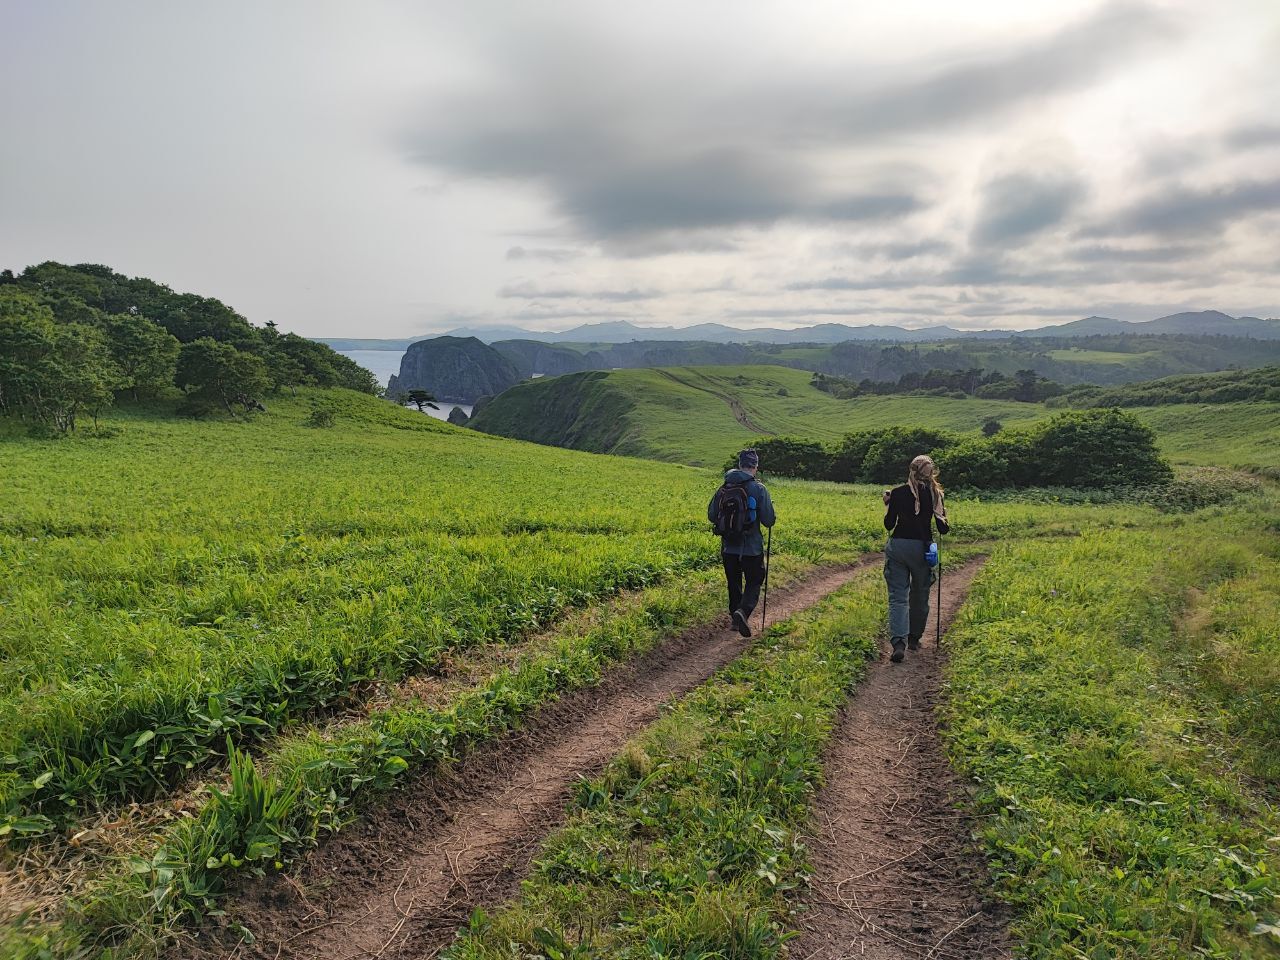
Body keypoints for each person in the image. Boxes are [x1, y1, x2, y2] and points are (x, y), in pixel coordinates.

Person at [881, 454, 950, 663]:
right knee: (920, 594)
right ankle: (913, 638)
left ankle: (898, 643)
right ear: (930, 472)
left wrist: (889, 503)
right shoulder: (935, 494)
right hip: (923, 549)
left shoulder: (898, 493)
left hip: (899, 547)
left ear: (911, 470)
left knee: (898, 597)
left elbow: (889, 525)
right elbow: (943, 529)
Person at [708, 449, 776, 637]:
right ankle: (743, 611)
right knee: (755, 580)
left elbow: (712, 515)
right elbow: (768, 521)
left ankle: (734, 620)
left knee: (734, 582)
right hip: (751, 548)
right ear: (755, 467)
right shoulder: (759, 489)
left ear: (739, 465)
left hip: (728, 546)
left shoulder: (724, 487)